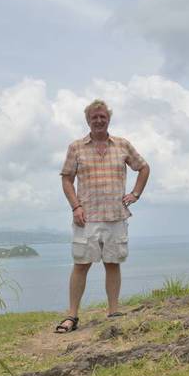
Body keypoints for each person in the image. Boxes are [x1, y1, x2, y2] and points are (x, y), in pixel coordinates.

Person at [55, 99, 150, 333]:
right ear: (88, 120)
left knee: (113, 263)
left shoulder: (122, 145)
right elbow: (66, 178)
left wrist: (135, 193)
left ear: (108, 119)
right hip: (86, 217)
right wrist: (75, 207)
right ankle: (72, 316)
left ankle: (113, 310)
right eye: (94, 117)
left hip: (116, 216)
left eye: (102, 117)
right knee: (81, 264)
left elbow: (143, 167)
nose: (98, 120)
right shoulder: (76, 147)